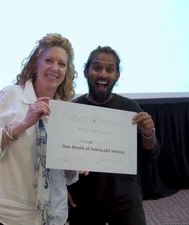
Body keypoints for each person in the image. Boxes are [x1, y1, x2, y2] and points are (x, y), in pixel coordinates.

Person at [0, 33, 79, 225]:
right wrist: (23, 124)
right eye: (49, 61)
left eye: (62, 64)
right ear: (36, 63)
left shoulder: (66, 111)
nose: (55, 68)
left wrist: (75, 161)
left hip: (51, 216)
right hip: (4, 214)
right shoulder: (11, 96)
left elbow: (66, 176)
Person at [67, 46, 159, 225]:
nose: (103, 74)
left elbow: (151, 153)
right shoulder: (72, 110)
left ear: (117, 75)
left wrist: (148, 133)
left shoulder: (130, 108)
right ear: (86, 72)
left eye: (110, 69)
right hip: (84, 199)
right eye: (96, 68)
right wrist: (63, 189)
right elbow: (61, 158)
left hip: (125, 198)